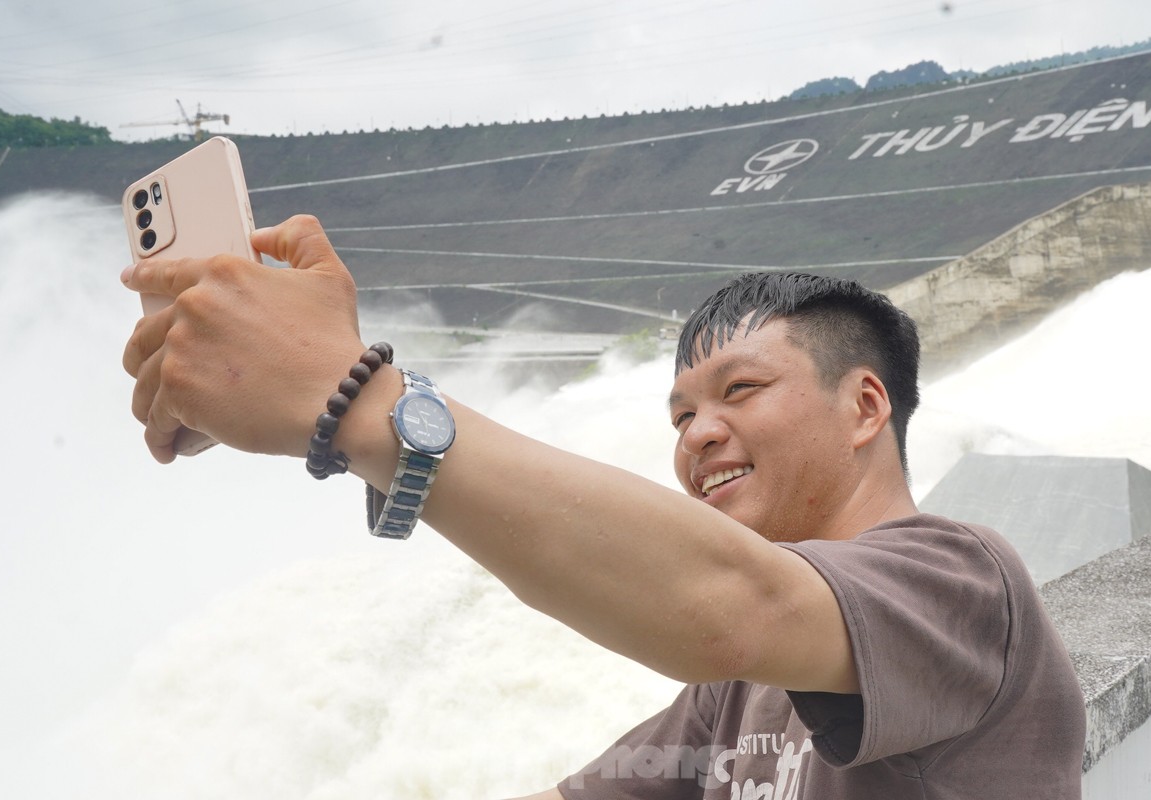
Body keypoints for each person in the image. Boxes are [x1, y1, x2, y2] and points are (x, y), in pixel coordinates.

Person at [121, 214, 1086, 798]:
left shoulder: (961, 581)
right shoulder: (745, 691)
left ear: (865, 404)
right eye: (681, 414)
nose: (698, 433)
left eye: (740, 392)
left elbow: (724, 610)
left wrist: (356, 399)